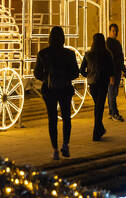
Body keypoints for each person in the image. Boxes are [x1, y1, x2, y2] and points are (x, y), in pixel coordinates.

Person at [34, 26, 80, 160]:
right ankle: (65, 144)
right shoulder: (69, 54)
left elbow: (37, 73)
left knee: (52, 119)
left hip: (49, 90)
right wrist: (65, 77)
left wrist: (47, 78)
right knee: (66, 118)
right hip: (65, 89)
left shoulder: (43, 54)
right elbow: (75, 73)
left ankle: (54, 149)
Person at [80, 33, 114, 141]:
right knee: (99, 107)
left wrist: (88, 75)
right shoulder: (107, 54)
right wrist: (110, 76)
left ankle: (100, 129)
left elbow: (81, 70)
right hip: (103, 83)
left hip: (92, 84)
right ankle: (96, 132)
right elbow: (111, 68)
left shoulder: (88, 55)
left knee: (97, 106)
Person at [106, 23, 126, 122]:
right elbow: (111, 59)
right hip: (112, 72)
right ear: (110, 31)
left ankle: (111, 112)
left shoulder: (117, 43)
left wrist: (124, 70)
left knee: (113, 92)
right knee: (112, 92)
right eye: (113, 30)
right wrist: (111, 73)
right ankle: (114, 113)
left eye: (116, 31)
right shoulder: (108, 43)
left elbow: (120, 58)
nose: (115, 32)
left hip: (117, 71)